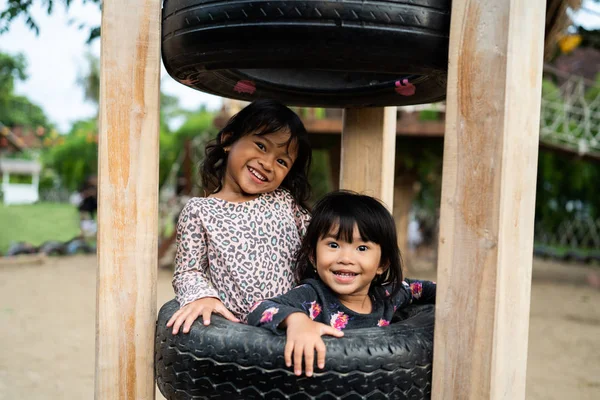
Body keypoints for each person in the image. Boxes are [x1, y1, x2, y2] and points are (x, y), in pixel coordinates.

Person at [248, 191, 436, 377]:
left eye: (362, 248)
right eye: (333, 245)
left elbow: (422, 289)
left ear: (382, 264)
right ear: (313, 256)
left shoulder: (387, 296)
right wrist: (297, 321)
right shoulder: (312, 297)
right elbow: (259, 309)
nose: (346, 258)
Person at [167, 99, 313, 335]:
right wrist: (203, 297)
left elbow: (318, 245)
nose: (267, 164)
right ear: (228, 140)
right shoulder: (200, 211)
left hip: (296, 324)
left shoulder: (285, 202)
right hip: (238, 336)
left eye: (282, 161)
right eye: (261, 146)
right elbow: (188, 270)